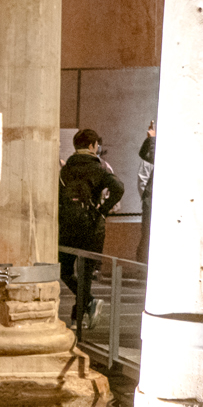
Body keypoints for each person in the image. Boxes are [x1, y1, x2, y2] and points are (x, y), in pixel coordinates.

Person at [58, 128, 124, 332]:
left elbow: (60, 196)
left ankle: (80, 312)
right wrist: (102, 210)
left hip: (69, 225)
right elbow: (119, 188)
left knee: (65, 270)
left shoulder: (66, 168)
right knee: (86, 274)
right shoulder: (100, 167)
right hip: (92, 226)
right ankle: (86, 305)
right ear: (92, 146)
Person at [136, 120, 155, 264]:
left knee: (149, 234)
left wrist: (152, 140)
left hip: (154, 201)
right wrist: (149, 140)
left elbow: (154, 158)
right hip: (151, 200)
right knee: (146, 235)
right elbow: (144, 155)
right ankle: (142, 265)